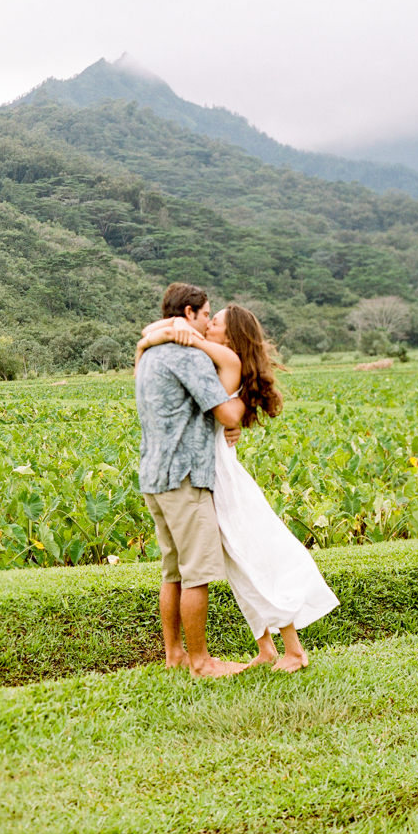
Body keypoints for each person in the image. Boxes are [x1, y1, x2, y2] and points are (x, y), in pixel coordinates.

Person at [136, 303, 339, 672]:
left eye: (213, 322)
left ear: (229, 336)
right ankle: (267, 648)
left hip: (221, 479)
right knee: (239, 565)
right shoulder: (215, 360)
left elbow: (226, 412)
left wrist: (169, 336)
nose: (205, 325)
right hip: (211, 473)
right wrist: (163, 333)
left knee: (255, 559)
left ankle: (293, 650)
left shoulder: (223, 358)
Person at [134, 282, 248, 679]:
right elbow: (227, 415)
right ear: (188, 314)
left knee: (173, 572)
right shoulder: (189, 357)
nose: (206, 324)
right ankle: (201, 662)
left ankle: (175, 654)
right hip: (184, 477)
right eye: (205, 315)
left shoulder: (148, 354)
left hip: (153, 475)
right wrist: (242, 407)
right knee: (197, 573)